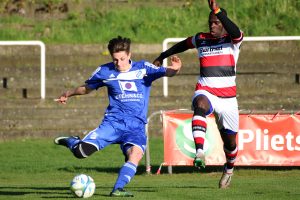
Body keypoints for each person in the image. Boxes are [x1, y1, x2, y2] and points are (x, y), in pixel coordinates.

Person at [54, 36, 182, 197]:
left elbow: (168, 72)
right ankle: (72, 140)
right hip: (113, 124)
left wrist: (176, 68)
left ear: (129, 55)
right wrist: (68, 94)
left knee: (135, 155)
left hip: (136, 127)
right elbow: (86, 89)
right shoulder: (104, 71)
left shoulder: (143, 68)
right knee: (81, 152)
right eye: (115, 60)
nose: (119, 63)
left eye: (122, 59)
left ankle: (118, 189)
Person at [153, 0, 243, 189]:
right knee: (200, 105)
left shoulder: (232, 40)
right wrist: (163, 55)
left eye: (216, 22)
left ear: (223, 24)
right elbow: (182, 45)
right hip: (206, 90)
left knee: (231, 143)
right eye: (210, 22)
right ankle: (200, 152)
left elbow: (235, 31)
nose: (212, 25)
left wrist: (217, 11)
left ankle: (229, 169)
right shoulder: (200, 38)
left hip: (228, 99)